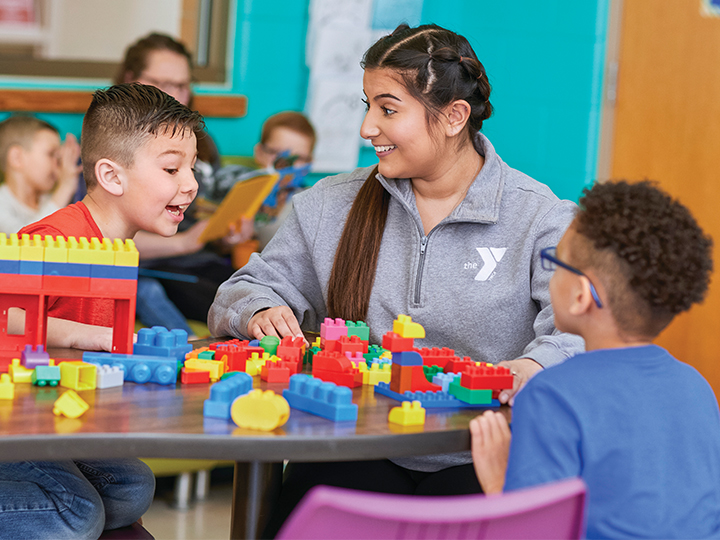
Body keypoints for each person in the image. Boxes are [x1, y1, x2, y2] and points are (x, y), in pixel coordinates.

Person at [208, 23, 584, 536]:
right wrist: (257, 309)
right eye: (367, 105)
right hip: (351, 447)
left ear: (454, 117)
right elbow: (243, 288)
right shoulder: (328, 204)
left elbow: (579, 331)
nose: (367, 128)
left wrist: (534, 364)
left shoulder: (541, 218)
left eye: (387, 109)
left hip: (480, 455)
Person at [2, 83, 200, 539]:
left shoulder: (118, 248)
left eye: (192, 167)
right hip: (10, 414)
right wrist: (76, 335)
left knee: (132, 486)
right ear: (112, 177)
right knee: (78, 514)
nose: (190, 183)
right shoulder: (52, 240)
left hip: (46, 410)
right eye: (172, 167)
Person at [470, 180, 719, 539]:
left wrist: (497, 484)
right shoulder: (697, 386)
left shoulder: (552, 395)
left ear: (581, 296)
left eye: (555, 263)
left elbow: (529, 533)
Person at [111, 32, 248, 332]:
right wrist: (185, 243)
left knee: (253, 291)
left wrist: (226, 235)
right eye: (161, 83)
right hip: (158, 269)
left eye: (182, 86)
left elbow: (205, 214)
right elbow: (104, 238)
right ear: (131, 80)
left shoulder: (200, 142)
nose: (173, 95)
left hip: (203, 262)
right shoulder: (114, 145)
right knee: (226, 305)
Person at [0, 115, 81, 234]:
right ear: (17, 158)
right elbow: (25, 239)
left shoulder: (48, 200)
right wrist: (65, 188)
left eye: (58, 157)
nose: (57, 164)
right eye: (51, 154)